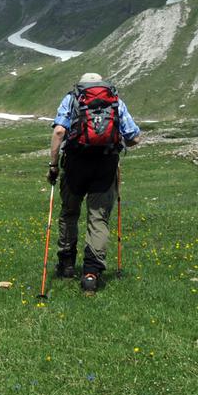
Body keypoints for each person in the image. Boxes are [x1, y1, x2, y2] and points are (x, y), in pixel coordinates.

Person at [47, 72, 141, 292]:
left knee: (70, 213)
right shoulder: (115, 101)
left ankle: (67, 264)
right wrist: (113, 145)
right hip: (105, 165)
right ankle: (91, 273)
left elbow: (60, 130)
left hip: (75, 163)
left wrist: (53, 164)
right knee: (98, 219)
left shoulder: (72, 98)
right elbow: (134, 137)